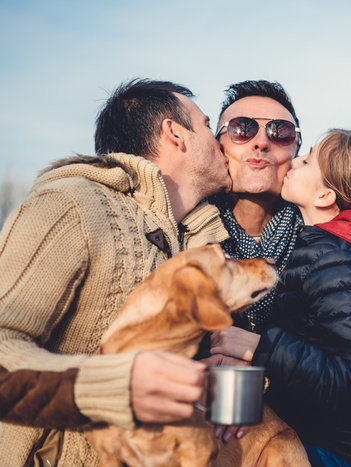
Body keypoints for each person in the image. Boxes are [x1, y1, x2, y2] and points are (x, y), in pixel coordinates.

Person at [0, 79, 231, 466]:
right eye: (208, 125)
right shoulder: (72, 203)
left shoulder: (195, 241)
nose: (220, 141)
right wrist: (118, 384)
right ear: (175, 133)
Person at [201, 80, 351, 443]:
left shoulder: (328, 232)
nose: (261, 141)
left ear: (293, 150)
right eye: (242, 129)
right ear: (218, 144)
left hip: (323, 428)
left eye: (280, 131)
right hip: (219, 420)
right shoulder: (186, 228)